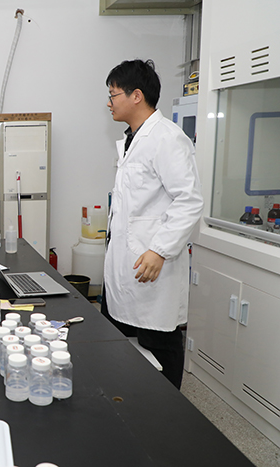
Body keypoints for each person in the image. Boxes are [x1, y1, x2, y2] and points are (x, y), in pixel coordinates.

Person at [101, 59, 203, 389]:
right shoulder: (133, 139)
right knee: (120, 345)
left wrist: (159, 250)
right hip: (127, 264)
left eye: (113, 94)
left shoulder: (167, 139)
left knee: (159, 342)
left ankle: (170, 411)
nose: (109, 102)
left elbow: (189, 200)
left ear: (136, 96)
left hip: (152, 264)